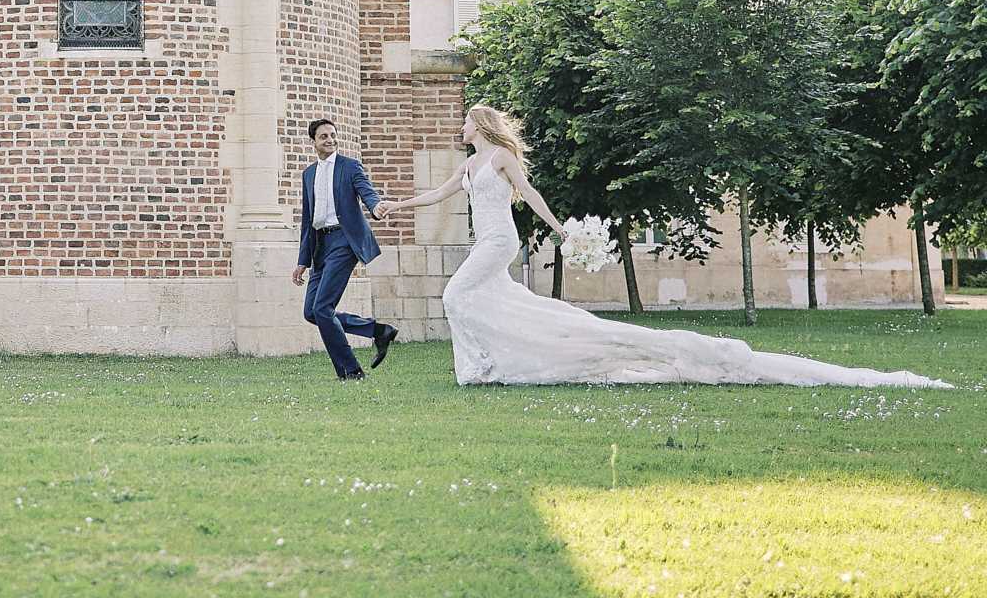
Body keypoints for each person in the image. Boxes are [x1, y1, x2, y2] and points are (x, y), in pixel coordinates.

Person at [377, 105, 952, 388]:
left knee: (456, 297)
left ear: (479, 126)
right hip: (490, 239)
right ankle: (495, 361)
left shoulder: (501, 158)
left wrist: (560, 232)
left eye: (466, 123)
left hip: (500, 240)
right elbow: (436, 194)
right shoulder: (469, 164)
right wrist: (395, 207)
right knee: (495, 304)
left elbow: (528, 195)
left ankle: (480, 365)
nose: (461, 129)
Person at [293, 118, 399, 380]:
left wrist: (375, 207)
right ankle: (378, 331)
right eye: (323, 137)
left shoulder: (350, 167)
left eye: (332, 135)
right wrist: (302, 261)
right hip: (320, 244)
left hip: (343, 241)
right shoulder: (308, 174)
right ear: (313, 142)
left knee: (323, 308)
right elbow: (307, 220)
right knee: (312, 312)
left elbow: (367, 192)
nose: (329, 140)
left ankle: (351, 372)